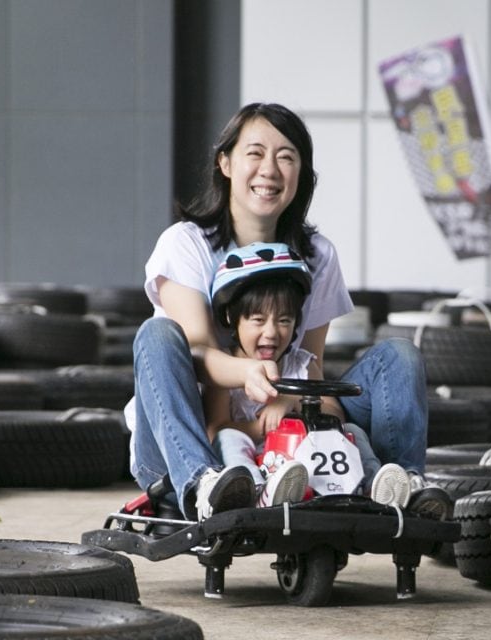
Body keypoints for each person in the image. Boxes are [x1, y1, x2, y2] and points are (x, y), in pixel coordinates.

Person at [127, 102, 450, 521]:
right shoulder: (185, 244)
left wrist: (295, 408)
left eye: (286, 156)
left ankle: (399, 488)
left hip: (286, 428)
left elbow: (311, 367)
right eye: (255, 153)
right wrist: (248, 376)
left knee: (399, 357)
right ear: (225, 163)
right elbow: (199, 357)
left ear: (302, 174)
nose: (270, 169)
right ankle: (204, 485)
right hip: (184, 442)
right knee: (157, 336)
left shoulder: (316, 256)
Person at [203, 241, 415, 508]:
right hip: (259, 460)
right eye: (258, 320)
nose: (271, 332)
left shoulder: (300, 365)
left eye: (284, 321)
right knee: (228, 438)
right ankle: (256, 491)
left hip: (310, 458)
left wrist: (292, 402)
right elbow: (215, 431)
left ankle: (373, 486)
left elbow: (335, 413)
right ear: (231, 319)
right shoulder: (227, 369)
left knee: (351, 430)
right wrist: (263, 429)